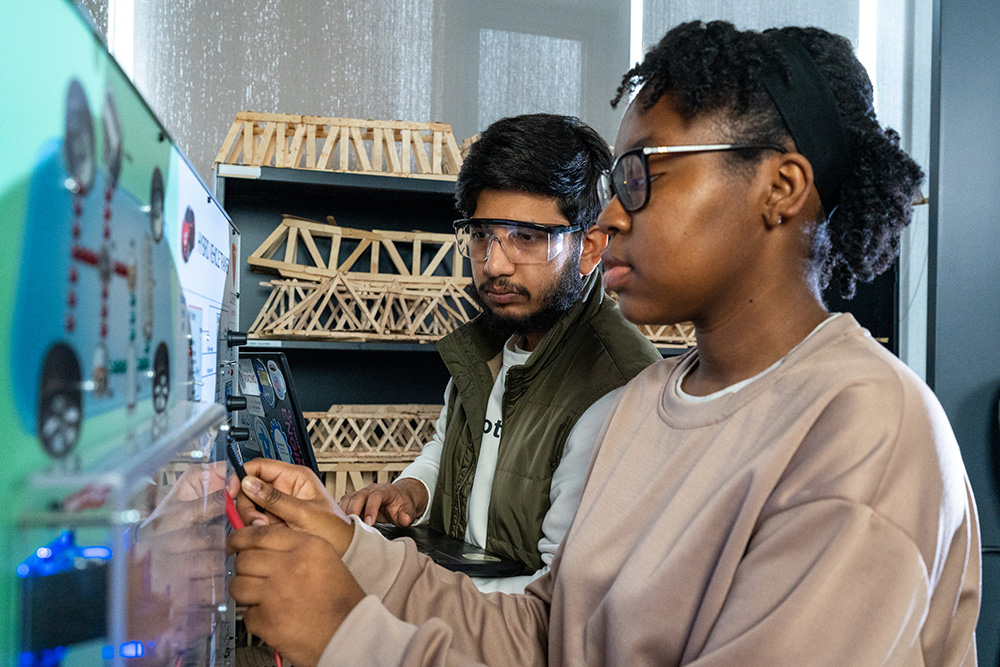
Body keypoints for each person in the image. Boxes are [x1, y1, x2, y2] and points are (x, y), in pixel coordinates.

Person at [227, 21, 981, 667]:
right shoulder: (648, 401)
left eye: (642, 175)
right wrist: (347, 542)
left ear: (780, 187)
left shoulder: (865, 429)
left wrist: (353, 636)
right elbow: (547, 635)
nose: (611, 217)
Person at [338, 113, 661, 593]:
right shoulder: (492, 344)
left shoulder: (617, 390)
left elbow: (564, 600)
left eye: (526, 238)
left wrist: (397, 591)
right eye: (482, 235)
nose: (493, 264)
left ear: (590, 248)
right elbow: (444, 447)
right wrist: (412, 489)